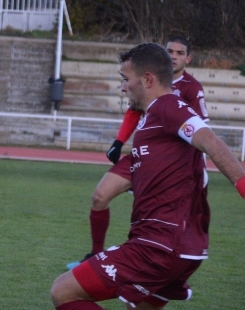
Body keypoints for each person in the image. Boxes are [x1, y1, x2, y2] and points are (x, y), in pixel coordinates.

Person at [51, 42, 245, 310]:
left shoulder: (169, 108)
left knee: (64, 291)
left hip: (160, 243)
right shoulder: (153, 121)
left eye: (126, 80)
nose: (123, 87)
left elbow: (211, 142)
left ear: (148, 79)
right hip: (187, 246)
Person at [68, 36, 210, 269]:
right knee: (99, 197)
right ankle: (95, 254)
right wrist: (118, 141)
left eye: (180, 53)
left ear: (188, 58)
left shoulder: (191, 89)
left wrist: (196, 170)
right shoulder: (142, 81)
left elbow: (203, 133)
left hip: (169, 165)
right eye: (170, 51)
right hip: (141, 155)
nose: (174, 56)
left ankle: (148, 262)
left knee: (155, 216)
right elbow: (133, 112)